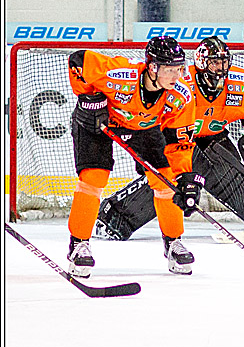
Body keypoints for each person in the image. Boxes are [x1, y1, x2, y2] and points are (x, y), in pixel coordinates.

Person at [95, 36, 244, 241]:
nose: (221, 68)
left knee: (227, 175)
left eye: (224, 62)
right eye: (215, 62)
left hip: (214, 140)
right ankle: (115, 217)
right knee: (170, 178)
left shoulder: (239, 83)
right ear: (201, 62)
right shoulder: (180, 84)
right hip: (177, 141)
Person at [66, 36, 203, 277]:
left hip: (142, 127)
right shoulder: (120, 75)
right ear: (153, 67)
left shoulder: (181, 96)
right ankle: (78, 244)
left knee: (166, 180)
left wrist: (186, 178)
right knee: (94, 178)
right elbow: (78, 61)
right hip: (98, 123)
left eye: (180, 69)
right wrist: (88, 98)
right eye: (170, 70)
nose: (177, 75)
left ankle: (173, 243)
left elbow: (179, 141)